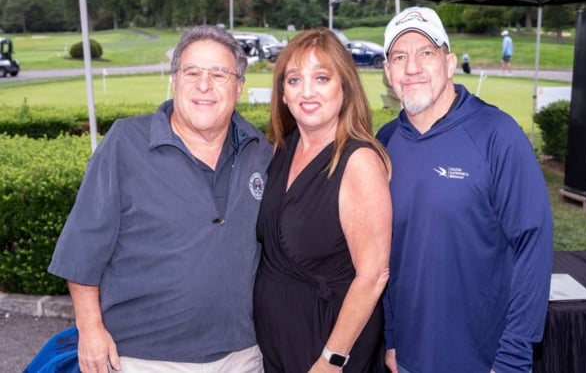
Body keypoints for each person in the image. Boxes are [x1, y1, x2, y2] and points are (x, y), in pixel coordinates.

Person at [48, 25, 272, 373]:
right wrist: (90, 330)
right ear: (174, 80)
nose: (204, 85)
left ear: (239, 87)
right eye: (192, 72)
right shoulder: (125, 143)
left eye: (219, 74)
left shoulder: (262, 152)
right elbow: (82, 250)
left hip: (242, 356)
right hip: (142, 359)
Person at [377, 7, 553, 373]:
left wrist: (512, 359)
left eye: (426, 52)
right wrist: (392, 338)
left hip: (483, 361)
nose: (412, 68)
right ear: (387, 71)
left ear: (450, 61)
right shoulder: (385, 143)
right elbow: (384, 253)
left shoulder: (497, 135)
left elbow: (533, 249)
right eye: (399, 56)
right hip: (406, 359)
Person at [253, 27, 392, 372]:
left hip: (329, 350)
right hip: (276, 347)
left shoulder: (359, 162)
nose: (307, 92)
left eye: (322, 77)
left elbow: (373, 275)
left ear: (344, 88)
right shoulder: (280, 151)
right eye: (295, 80)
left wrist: (332, 358)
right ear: (282, 94)